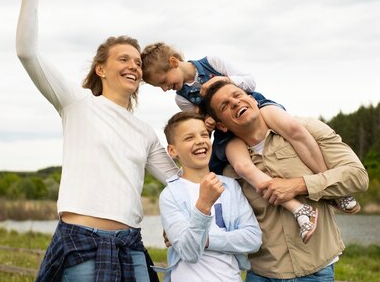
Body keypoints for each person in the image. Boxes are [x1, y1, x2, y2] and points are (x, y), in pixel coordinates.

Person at [9, 0, 179, 282]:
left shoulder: (145, 132)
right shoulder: (77, 104)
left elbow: (178, 182)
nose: (134, 66)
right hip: (81, 243)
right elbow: (27, 53)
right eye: (124, 59)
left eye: (137, 61)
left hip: (130, 247)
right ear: (101, 69)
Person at [202, 81, 369, 282]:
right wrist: (181, 226)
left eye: (237, 95)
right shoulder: (231, 167)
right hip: (263, 279)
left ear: (254, 99)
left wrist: (298, 185)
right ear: (222, 125)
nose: (235, 103)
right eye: (225, 105)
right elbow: (201, 193)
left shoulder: (306, 130)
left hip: (315, 276)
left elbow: (358, 177)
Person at [141, 43, 358, 243]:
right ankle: (299, 210)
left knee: (293, 129)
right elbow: (199, 121)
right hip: (226, 128)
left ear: (173, 63)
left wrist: (224, 82)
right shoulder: (181, 98)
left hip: (255, 106)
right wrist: (206, 121)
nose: (164, 88)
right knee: (239, 168)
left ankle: (335, 191)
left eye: (162, 81)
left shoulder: (212, 62)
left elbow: (249, 80)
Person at [158, 111, 262, 282]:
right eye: (189, 138)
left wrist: (207, 240)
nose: (200, 141)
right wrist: (203, 205)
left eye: (204, 135)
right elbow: (189, 252)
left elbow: (253, 238)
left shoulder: (231, 187)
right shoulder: (170, 196)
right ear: (172, 151)